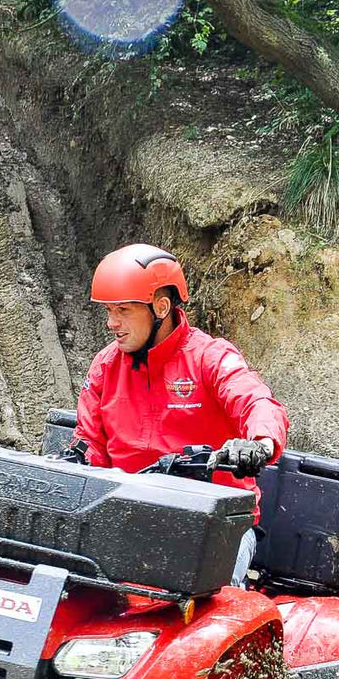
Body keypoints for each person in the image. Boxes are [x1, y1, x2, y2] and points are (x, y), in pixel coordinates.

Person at [62, 243, 290, 585]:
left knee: (208, 601)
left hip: (214, 524)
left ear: (161, 307)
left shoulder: (210, 357)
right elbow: (88, 443)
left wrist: (259, 443)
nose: (111, 323)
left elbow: (257, 402)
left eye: (122, 310)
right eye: (108, 311)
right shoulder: (105, 366)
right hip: (126, 515)